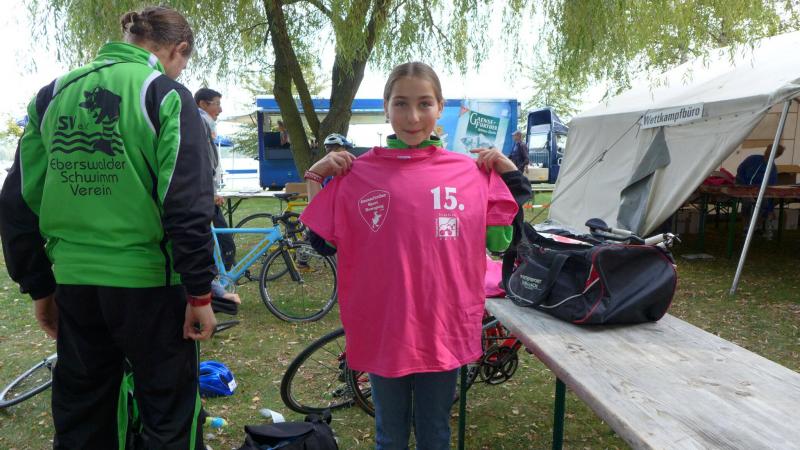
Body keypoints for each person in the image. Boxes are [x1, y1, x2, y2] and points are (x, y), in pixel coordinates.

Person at [0, 6, 216, 449]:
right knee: (168, 414)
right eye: (183, 63)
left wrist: (40, 286)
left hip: (76, 286)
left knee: (83, 413)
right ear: (179, 50)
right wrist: (199, 293)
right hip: (151, 287)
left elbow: (17, 202)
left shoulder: (52, 95)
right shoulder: (166, 95)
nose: (180, 71)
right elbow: (186, 205)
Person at [300, 61, 531, 449]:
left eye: (424, 103)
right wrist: (316, 176)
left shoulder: (469, 174)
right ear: (386, 108)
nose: (412, 117)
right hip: (384, 327)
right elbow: (322, 242)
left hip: (442, 327)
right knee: (389, 436)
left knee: (435, 433)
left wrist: (508, 174)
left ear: (440, 107)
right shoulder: (356, 174)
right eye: (401, 103)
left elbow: (501, 240)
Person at [195, 87, 235, 269]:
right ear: (203, 104)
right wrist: (211, 192)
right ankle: (222, 276)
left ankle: (222, 274)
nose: (220, 109)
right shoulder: (200, 123)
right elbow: (203, 162)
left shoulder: (204, 123)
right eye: (217, 104)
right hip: (203, 194)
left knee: (222, 241)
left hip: (205, 193)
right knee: (225, 243)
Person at [736, 143, 785, 238]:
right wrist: (746, 189)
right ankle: (746, 227)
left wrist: (770, 209)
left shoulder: (773, 169)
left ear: (777, 156)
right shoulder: (752, 159)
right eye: (769, 150)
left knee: (764, 204)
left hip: (760, 193)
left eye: (774, 152)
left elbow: (770, 189)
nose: (769, 153)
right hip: (744, 188)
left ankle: (755, 227)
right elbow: (740, 172)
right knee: (747, 202)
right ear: (767, 150)